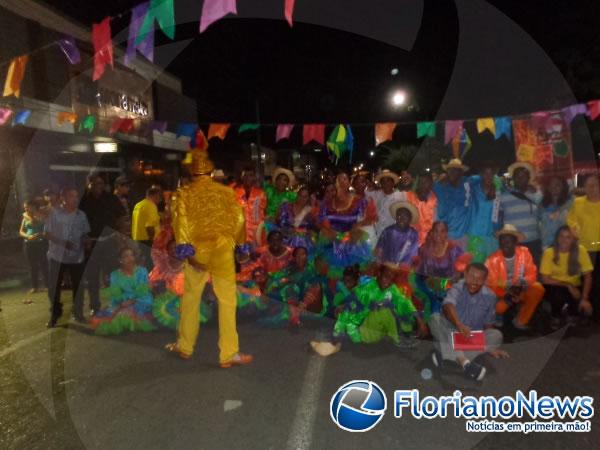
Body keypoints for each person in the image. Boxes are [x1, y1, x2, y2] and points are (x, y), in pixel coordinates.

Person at [166, 145, 252, 368]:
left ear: (191, 175)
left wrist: (187, 252)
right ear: (212, 173)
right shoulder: (226, 192)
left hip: (198, 251)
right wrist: (242, 248)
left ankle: (185, 346)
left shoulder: (183, 194)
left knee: (191, 298)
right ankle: (229, 354)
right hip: (223, 249)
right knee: (227, 300)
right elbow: (240, 220)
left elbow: (180, 223)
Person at [429, 263, 508, 381]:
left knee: (496, 335)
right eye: (471, 276)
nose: (474, 282)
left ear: (485, 280)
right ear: (465, 275)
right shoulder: (457, 287)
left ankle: (446, 356)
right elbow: (447, 305)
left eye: (479, 279)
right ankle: (464, 362)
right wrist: (459, 325)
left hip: (470, 337)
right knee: (434, 318)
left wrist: (490, 347)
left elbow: (488, 324)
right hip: (452, 331)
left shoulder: (490, 296)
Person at [79, 173, 126, 315]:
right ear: (88, 184)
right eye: (94, 183)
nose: (97, 186)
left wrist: (121, 234)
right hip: (91, 243)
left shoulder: (110, 198)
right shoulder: (83, 200)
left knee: (112, 275)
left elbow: (121, 217)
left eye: (100, 183)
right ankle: (95, 305)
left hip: (110, 241)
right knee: (92, 276)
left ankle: (116, 304)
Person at [44, 187, 91, 327]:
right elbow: (47, 233)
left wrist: (86, 241)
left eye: (76, 196)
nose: (75, 199)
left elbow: (84, 233)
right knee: (54, 288)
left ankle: (78, 313)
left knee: (79, 286)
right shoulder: (54, 214)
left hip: (76, 257)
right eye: (71, 196)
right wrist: (63, 243)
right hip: (57, 257)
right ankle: (55, 315)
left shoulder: (81, 215)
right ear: (63, 198)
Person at [485, 225, 544, 329]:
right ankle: (498, 315)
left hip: (520, 288)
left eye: (508, 241)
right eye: (502, 241)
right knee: (498, 308)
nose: (504, 245)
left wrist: (520, 286)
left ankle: (520, 320)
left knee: (538, 289)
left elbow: (532, 274)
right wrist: (508, 292)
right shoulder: (492, 259)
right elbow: (491, 283)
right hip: (504, 292)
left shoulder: (524, 253)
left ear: (516, 242)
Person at [412, 221, 472, 321]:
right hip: (427, 284)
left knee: (440, 300)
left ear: (446, 233)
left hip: (447, 285)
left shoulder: (453, 249)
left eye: (442, 231)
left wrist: (453, 278)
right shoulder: (424, 248)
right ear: (432, 233)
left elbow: (464, 270)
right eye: (436, 231)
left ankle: (438, 324)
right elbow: (418, 269)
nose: (438, 234)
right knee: (425, 298)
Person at [318, 172, 375, 274]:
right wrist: (331, 233)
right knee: (333, 272)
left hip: (352, 241)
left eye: (344, 179)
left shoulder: (359, 201)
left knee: (352, 272)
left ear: (349, 183)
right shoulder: (327, 203)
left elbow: (370, 217)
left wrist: (357, 225)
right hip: (332, 241)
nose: (341, 182)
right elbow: (322, 220)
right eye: (338, 180)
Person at [90, 247, 156, 335]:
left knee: (123, 315)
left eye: (131, 255)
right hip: (123, 302)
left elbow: (144, 290)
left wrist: (131, 301)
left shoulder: (142, 271)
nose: (130, 259)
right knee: (109, 315)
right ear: (120, 260)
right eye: (126, 256)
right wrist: (122, 303)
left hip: (142, 300)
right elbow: (116, 294)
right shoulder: (115, 275)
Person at [357, 264, 427, 346]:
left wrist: (419, 320)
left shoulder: (392, 288)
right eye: (386, 276)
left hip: (379, 332)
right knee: (384, 308)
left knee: (407, 314)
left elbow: (403, 301)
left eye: (391, 279)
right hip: (365, 332)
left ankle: (404, 335)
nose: (388, 281)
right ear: (379, 273)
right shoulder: (367, 286)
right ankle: (400, 340)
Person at [540, 226, 593, 329]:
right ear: (557, 238)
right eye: (561, 236)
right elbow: (545, 279)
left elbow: (588, 277)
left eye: (568, 237)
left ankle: (571, 311)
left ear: (573, 240)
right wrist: (568, 285)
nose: (564, 240)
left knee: (587, 311)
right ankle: (555, 315)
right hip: (554, 285)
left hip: (575, 286)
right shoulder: (549, 252)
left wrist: (585, 298)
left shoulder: (581, 250)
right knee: (559, 294)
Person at [567, 174, 600, 320]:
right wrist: (574, 230)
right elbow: (571, 220)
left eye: (595, 185)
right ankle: (584, 311)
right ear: (584, 188)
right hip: (584, 249)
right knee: (585, 282)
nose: (593, 189)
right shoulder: (578, 202)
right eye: (589, 186)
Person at [266, 247, 323, 326]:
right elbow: (276, 281)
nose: (300, 257)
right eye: (297, 255)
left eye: (303, 254)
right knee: (289, 288)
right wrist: (286, 280)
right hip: (290, 296)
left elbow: (314, 286)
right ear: (294, 257)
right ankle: (294, 317)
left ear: (307, 256)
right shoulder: (289, 268)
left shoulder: (311, 269)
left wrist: (292, 280)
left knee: (314, 286)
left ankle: (294, 315)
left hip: (306, 299)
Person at [499, 162, 543, 265]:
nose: (520, 179)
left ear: (529, 178)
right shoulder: (503, 197)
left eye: (523, 176)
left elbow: (543, 216)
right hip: (513, 243)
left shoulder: (536, 195)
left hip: (534, 241)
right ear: (513, 179)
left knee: (533, 272)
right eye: (517, 176)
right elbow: (498, 219)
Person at [465, 163, 502, 263]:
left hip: (491, 235)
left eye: (491, 173)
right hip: (474, 235)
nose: (488, 176)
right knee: (475, 266)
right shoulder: (474, 189)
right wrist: (481, 177)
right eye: (485, 173)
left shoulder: (498, 192)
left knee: (490, 269)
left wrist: (495, 184)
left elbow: (498, 214)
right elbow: (467, 181)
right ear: (481, 174)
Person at [433, 159, 471, 244]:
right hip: (444, 236)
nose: (452, 173)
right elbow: (426, 185)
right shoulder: (440, 187)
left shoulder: (467, 184)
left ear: (461, 173)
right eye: (450, 170)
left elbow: (482, 178)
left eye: (455, 170)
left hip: (463, 235)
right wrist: (439, 179)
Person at [375, 201, 419, 266]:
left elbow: (412, 255)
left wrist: (400, 266)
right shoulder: (388, 231)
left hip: (403, 269)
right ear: (395, 217)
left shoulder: (413, 234)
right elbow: (379, 250)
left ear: (410, 219)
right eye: (399, 215)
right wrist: (382, 262)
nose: (402, 218)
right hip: (386, 265)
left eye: (405, 216)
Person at [232, 168, 267, 248]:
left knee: (256, 256)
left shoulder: (261, 193)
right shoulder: (234, 192)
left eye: (251, 175)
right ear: (242, 177)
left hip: (256, 232)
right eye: (245, 175)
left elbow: (263, 212)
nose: (248, 178)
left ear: (254, 177)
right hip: (239, 232)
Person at [276, 187, 317, 252]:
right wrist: (290, 229)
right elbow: (280, 223)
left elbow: (312, 228)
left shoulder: (309, 211)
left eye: (305, 197)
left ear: (308, 198)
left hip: (303, 241)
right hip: (287, 238)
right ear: (297, 195)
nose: (302, 199)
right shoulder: (287, 206)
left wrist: (307, 232)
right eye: (300, 195)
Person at [20, 200, 48, 293]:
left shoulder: (42, 216)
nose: (26, 209)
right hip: (28, 243)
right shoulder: (25, 218)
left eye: (27, 206)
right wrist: (28, 236)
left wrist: (39, 234)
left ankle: (47, 285)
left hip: (40, 243)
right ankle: (34, 287)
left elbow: (46, 230)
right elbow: (21, 231)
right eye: (25, 207)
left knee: (43, 263)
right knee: (32, 265)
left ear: (34, 206)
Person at [131, 187, 162, 270]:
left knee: (142, 265)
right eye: (160, 197)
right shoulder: (151, 206)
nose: (160, 200)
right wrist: (152, 241)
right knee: (150, 266)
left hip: (137, 239)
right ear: (155, 195)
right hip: (148, 241)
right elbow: (150, 226)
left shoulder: (138, 205)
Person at [367, 170, 404, 238]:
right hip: (376, 232)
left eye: (388, 181)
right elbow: (366, 193)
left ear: (393, 183)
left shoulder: (400, 196)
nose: (386, 183)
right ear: (380, 184)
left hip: (391, 234)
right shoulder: (377, 194)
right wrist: (371, 186)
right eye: (383, 181)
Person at [539, 175, 572, 249]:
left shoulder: (570, 202)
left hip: (565, 244)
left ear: (563, 187)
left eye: (558, 185)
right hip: (547, 244)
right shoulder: (542, 204)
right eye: (551, 184)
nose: (554, 187)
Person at [405, 172, 437, 245]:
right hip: (411, 240)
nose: (423, 184)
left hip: (428, 242)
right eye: (420, 182)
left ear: (431, 184)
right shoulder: (409, 196)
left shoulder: (435, 201)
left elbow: (435, 225)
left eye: (426, 182)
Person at [351, 172, 378, 248]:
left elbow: (373, 217)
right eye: (357, 183)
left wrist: (360, 224)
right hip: (351, 230)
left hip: (366, 230)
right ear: (353, 185)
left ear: (365, 184)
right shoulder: (349, 199)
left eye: (362, 182)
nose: (360, 185)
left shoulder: (369, 199)